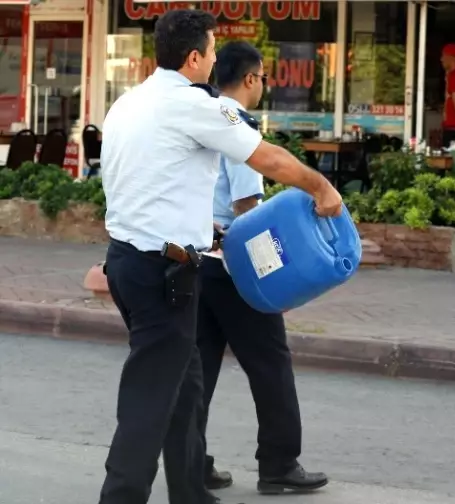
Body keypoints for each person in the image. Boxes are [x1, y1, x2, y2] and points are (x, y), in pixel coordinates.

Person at [98, 9, 341, 504]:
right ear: (194, 57)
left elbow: (144, 179)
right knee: (150, 398)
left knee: (186, 384)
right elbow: (266, 158)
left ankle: (191, 492)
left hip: (130, 260)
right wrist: (322, 186)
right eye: (210, 51)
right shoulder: (199, 106)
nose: (214, 60)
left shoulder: (130, 102)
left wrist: (194, 225)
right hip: (160, 272)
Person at [196, 41, 328, 496]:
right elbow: (248, 208)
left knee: (199, 368)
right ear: (252, 78)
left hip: (197, 261)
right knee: (270, 363)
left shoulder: (201, 116)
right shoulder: (238, 126)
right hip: (234, 267)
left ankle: (192, 461)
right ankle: (279, 464)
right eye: (263, 78)